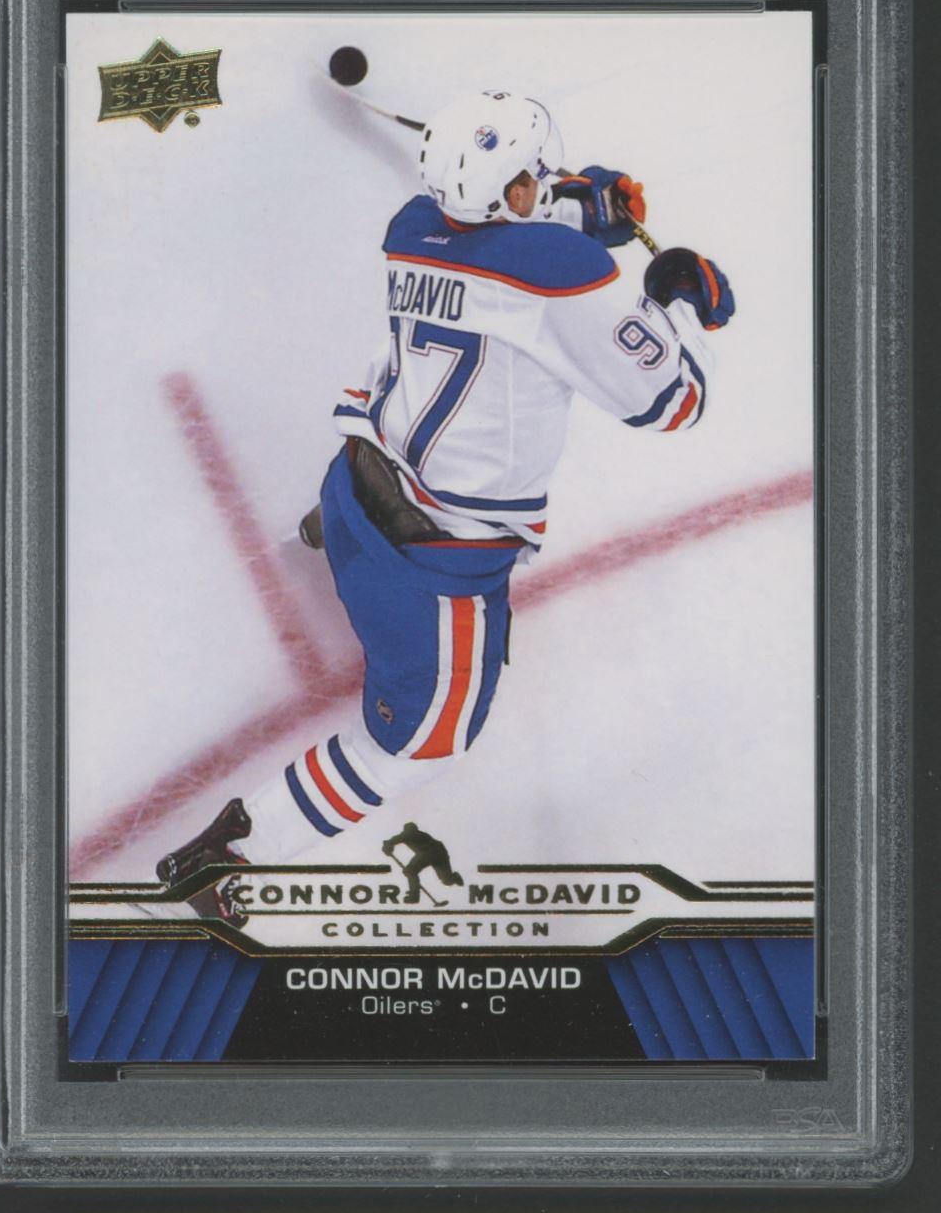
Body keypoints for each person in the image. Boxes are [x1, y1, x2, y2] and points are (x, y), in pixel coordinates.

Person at [156, 90, 735, 926]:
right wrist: (681, 298)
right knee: (425, 743)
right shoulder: (562, 273)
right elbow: (674, 399)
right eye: (535, 178)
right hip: (433, 563)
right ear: (516, 192)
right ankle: (230, 855)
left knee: (383, 428)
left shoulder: (410, 226)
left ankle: (324, 537)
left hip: (351, 488)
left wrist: (579, 204)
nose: (543, 186)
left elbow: (500, 240)